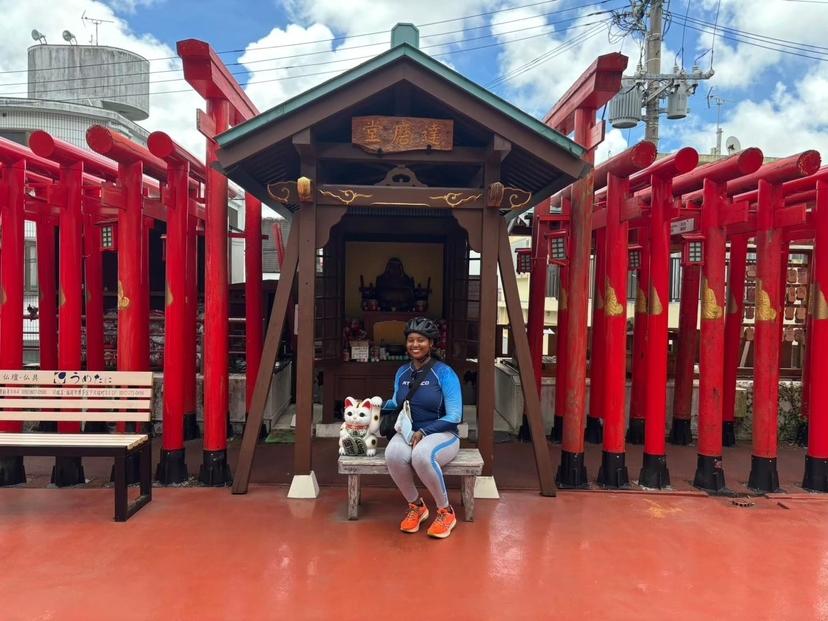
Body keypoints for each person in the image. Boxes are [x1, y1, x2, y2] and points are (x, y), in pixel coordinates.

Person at [383, 317, 462, 539]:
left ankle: (446, 511)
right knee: (393, 453)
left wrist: (425, 432)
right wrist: (374, 405)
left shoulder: (444, 373)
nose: (415, 345)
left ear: (431, 344)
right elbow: (396, 402)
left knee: (421, 455)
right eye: (411, 340)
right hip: (410, 431)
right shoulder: (402, 373)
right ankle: (416, 506)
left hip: (442, 434)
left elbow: (455, 416)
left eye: (421, 340)